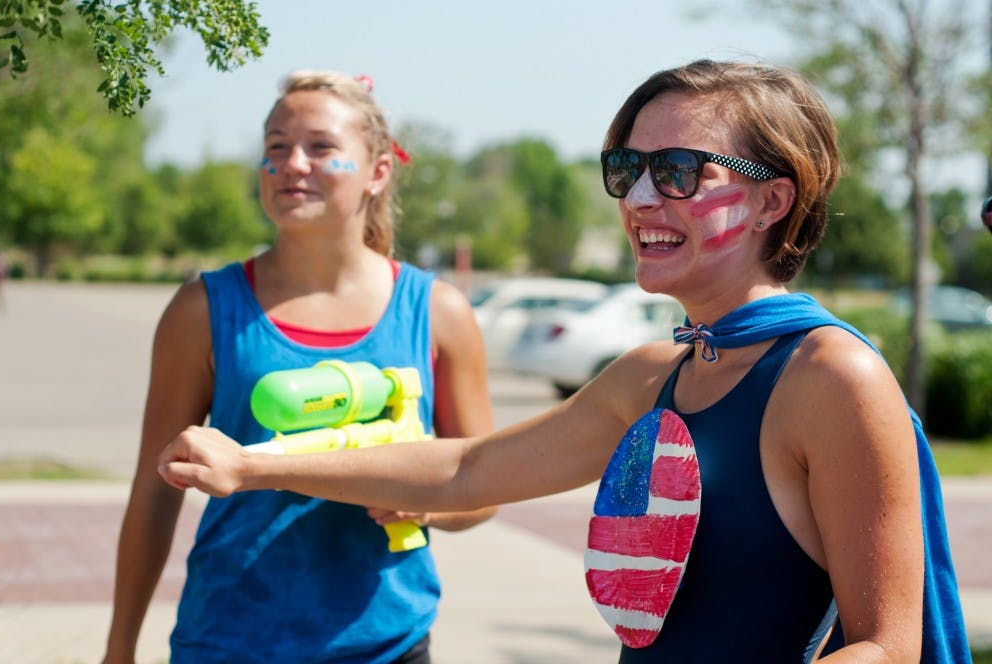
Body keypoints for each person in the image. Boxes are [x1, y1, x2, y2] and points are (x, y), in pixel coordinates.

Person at [157, 60, 969, 662]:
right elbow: (465, 470)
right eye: (628, 170)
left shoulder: (830, 377)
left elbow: (886, 648)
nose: (640, 199)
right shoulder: (652, 376)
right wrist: (254, 466)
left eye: (680, 171)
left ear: (771, 199)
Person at [103, 70, 496, 664]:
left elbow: (485, 482)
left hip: (389, 646)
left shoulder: (438, 312)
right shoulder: (202, 310)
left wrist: (427, 507)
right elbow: (154, 494)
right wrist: (119, 647)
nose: (293, 164)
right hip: (227, 642)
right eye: (276, 147)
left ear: (378, 171)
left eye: (321, 147)